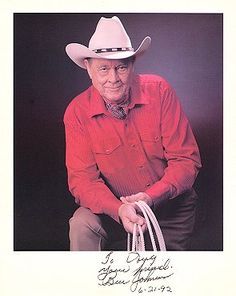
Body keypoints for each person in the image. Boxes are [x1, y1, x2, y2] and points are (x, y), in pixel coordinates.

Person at [64, 16, 202, 251]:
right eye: (103, 69)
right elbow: (83, 181)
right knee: (81, 223)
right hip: (114, 212)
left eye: (121, 67)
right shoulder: (77, 112)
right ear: (88, 68)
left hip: (169, 212)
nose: (113, 79)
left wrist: (150, 198)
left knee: (153, 279)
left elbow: (186, 161)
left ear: (132, 65)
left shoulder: (160, 91)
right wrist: (118, 209)